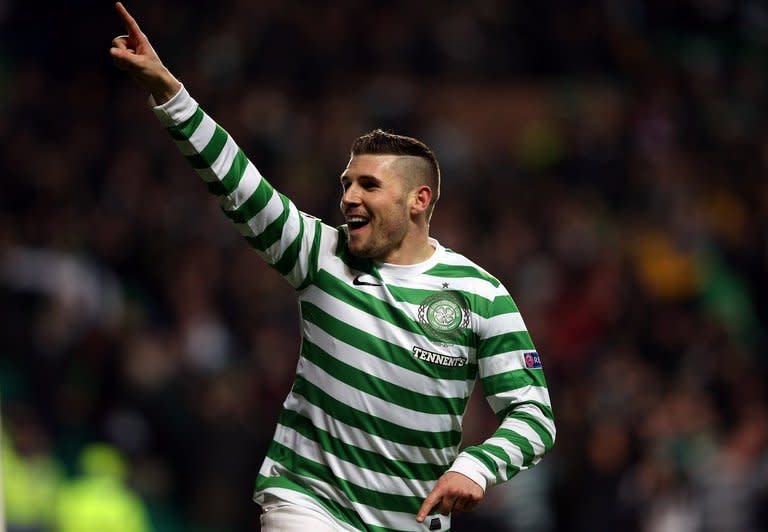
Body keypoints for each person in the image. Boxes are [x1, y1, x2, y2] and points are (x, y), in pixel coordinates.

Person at [109, 2, 556, 530]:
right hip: (306, 503)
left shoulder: (480, 294)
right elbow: (240, 186)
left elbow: (533, 415)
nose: (348, 196)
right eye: (346, 182)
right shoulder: (320, 254)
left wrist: (478, 466)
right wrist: (171, 94)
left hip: (410, 521)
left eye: (368, 185)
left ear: (419, 200)